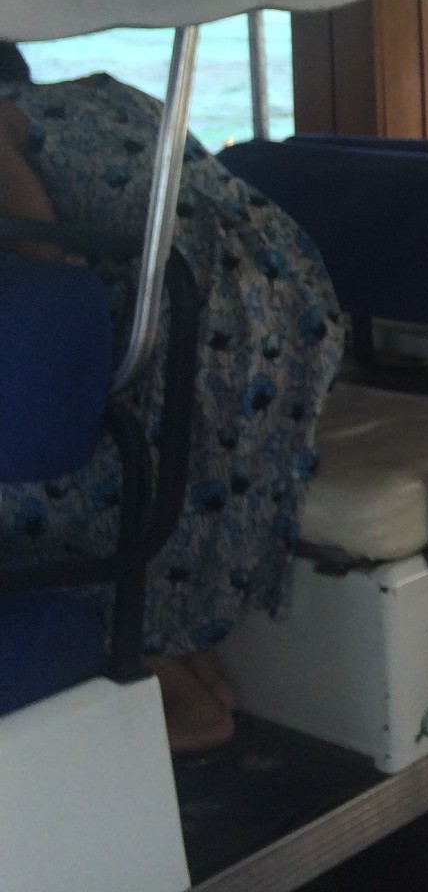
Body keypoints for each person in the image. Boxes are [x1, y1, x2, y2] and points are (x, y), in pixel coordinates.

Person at [0, 43, 344, 753]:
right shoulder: (92, 97)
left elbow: (39, 263)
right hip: (285, 312)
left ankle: (176, 699)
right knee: (155, 475)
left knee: (55, 481)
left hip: (191, 325)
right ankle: (197, 675)